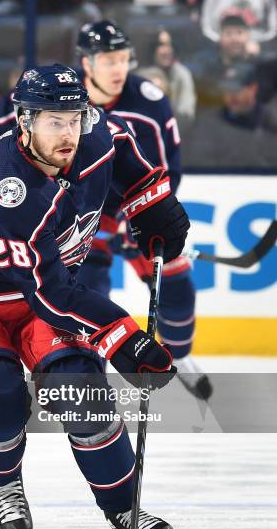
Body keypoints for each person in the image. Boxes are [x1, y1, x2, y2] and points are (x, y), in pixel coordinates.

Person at [0, 64, 189, 529]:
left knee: (81, 390)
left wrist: (150, 203)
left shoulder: (92, 133)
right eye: (53, 122)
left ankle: (124, 506)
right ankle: (4, 483)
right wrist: (124, 338)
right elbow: (50, 293)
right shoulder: (8, 190)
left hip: (43, 294)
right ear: (24, 121)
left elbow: (121, 149)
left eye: (74, 118)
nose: (68, 133)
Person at [76, 20, 212, 399]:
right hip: (82, 216)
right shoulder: (66, 101)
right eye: (108, 60)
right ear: (87, 63)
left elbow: (170, 169)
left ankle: (178, 356)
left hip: (137, 211)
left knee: (177, 282)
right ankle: (91, 381)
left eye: (123, 59)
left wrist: (141, 217)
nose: (118, 69)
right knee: (88, 292)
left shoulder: (149, 101)